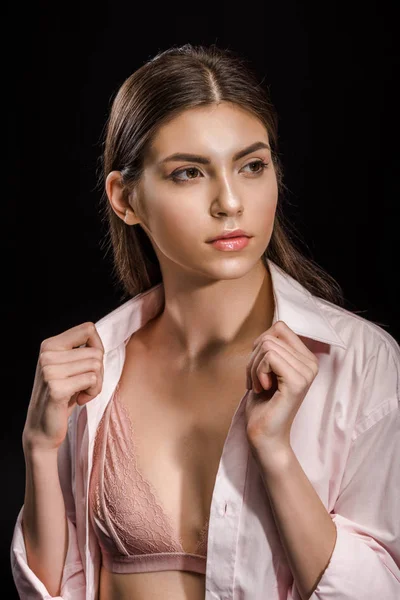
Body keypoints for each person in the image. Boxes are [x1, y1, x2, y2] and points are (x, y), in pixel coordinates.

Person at [11, 43, 399, 600]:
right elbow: (51, 587)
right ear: (125, 199)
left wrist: (276, 453)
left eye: (251, 166)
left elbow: (383, 590)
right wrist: (38, 449)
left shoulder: (360, 362)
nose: (230, 202)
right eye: (189, 173)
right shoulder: (92, 371)